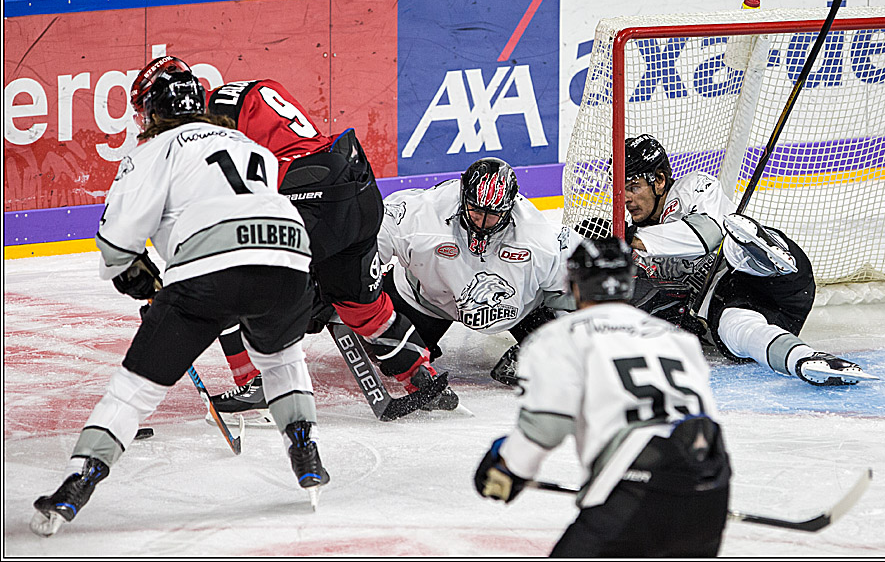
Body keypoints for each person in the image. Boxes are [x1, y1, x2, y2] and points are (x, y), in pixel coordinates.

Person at [30, 58, 328, 538]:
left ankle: (79, 481)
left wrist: (134, 277)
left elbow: (117, 243)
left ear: (150, 111)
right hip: (290, 261)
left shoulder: (153, 150)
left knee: (135, 388)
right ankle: (304, 449)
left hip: (210, 274)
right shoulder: (248, 143)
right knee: (280, 357)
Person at [200, 67, 456, 413]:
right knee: (361, 304)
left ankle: (257, 382)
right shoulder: (257, 89)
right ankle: (419, 374)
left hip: (312, 201)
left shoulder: (200, 123)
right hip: (355, 185)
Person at [474, 235, 731, 557]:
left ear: (575, 283)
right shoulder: (676, 338)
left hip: (634, 484)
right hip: (711, 484)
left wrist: (508, 466)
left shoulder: (561, 335)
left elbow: (546, 427)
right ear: (628, 281)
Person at [617, 134, 876, 387]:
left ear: (659, 180)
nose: (626, 198)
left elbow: (707, 235)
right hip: (750, 306)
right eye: (621, 190)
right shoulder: (636, 242)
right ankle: (805, 359)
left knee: (731, 243)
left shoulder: (692, 188)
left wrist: (630, 240)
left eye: (633, 187)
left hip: (775, 277)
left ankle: (764, 253)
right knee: (735, 329)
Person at [376, 157, 575, 387]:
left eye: (492, 215)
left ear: (510, 208)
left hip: (520, 308)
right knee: (391, 362)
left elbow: (574, 292)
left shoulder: (539, 238)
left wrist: (557, 342)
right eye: (475, 211)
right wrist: (352, 286)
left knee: (563, 362)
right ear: (463, 197)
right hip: (428, 299)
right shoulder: (423, 215)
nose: (481, 223)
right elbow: (373, 233)